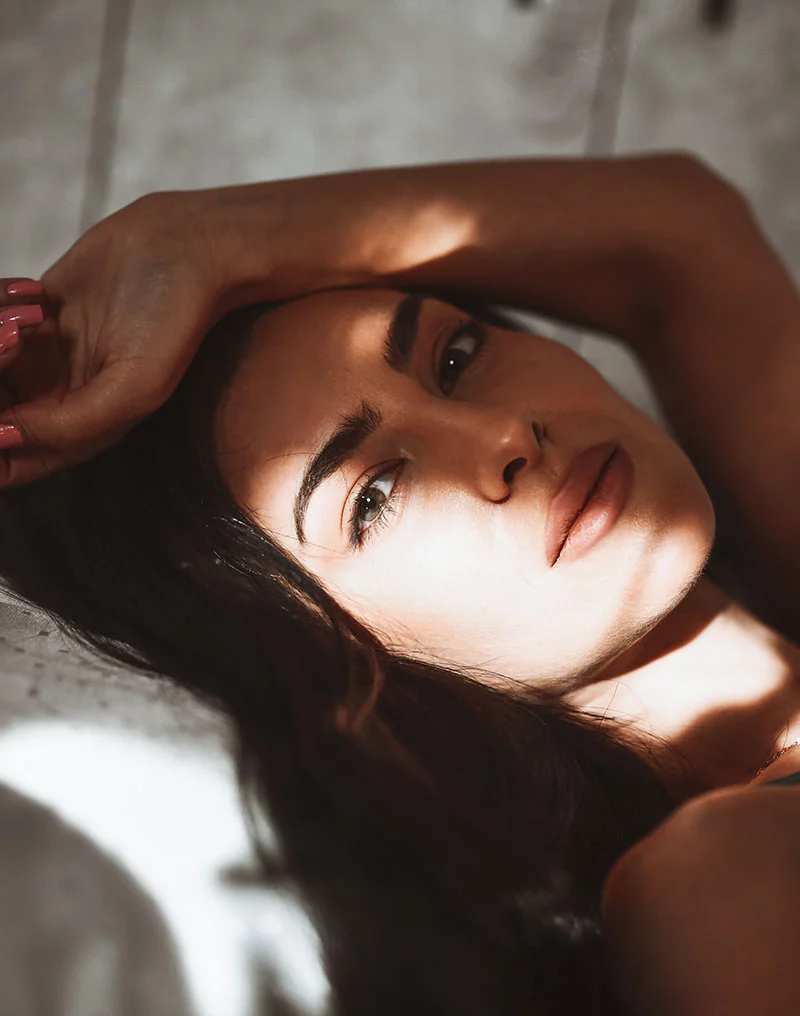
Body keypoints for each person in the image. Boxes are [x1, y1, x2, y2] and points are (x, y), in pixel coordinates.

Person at [0, 152, 798, 1015]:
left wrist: (201, 238)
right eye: (373, 498)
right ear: (331, 652)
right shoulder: (719, 890)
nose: (504, 436)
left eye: (454, 358)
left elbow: (676, 232)